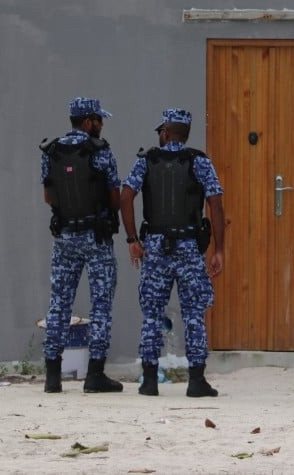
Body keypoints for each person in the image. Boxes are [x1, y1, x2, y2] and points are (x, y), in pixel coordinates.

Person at [120, 108, 225, 397]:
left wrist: (132, 239)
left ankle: (149, 380)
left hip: (155, 247)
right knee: (194, 313)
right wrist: (219, 249)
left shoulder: (146, 161)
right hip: (189, 247)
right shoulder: (200, 161)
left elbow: (126, 197)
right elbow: (215, 204)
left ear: (166, 133)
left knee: (152, 313)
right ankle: (196, 381)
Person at [39, 97, 123, 394]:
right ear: (87, 122)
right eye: (99, 120)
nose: (101, 125)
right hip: (96, 237)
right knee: (101, 303)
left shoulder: (51, 151)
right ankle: (95, 375)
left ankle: (52, 376)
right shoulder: (101, 151)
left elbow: (48, 197)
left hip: (64, 237)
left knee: (59, 302)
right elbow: (115, 196)